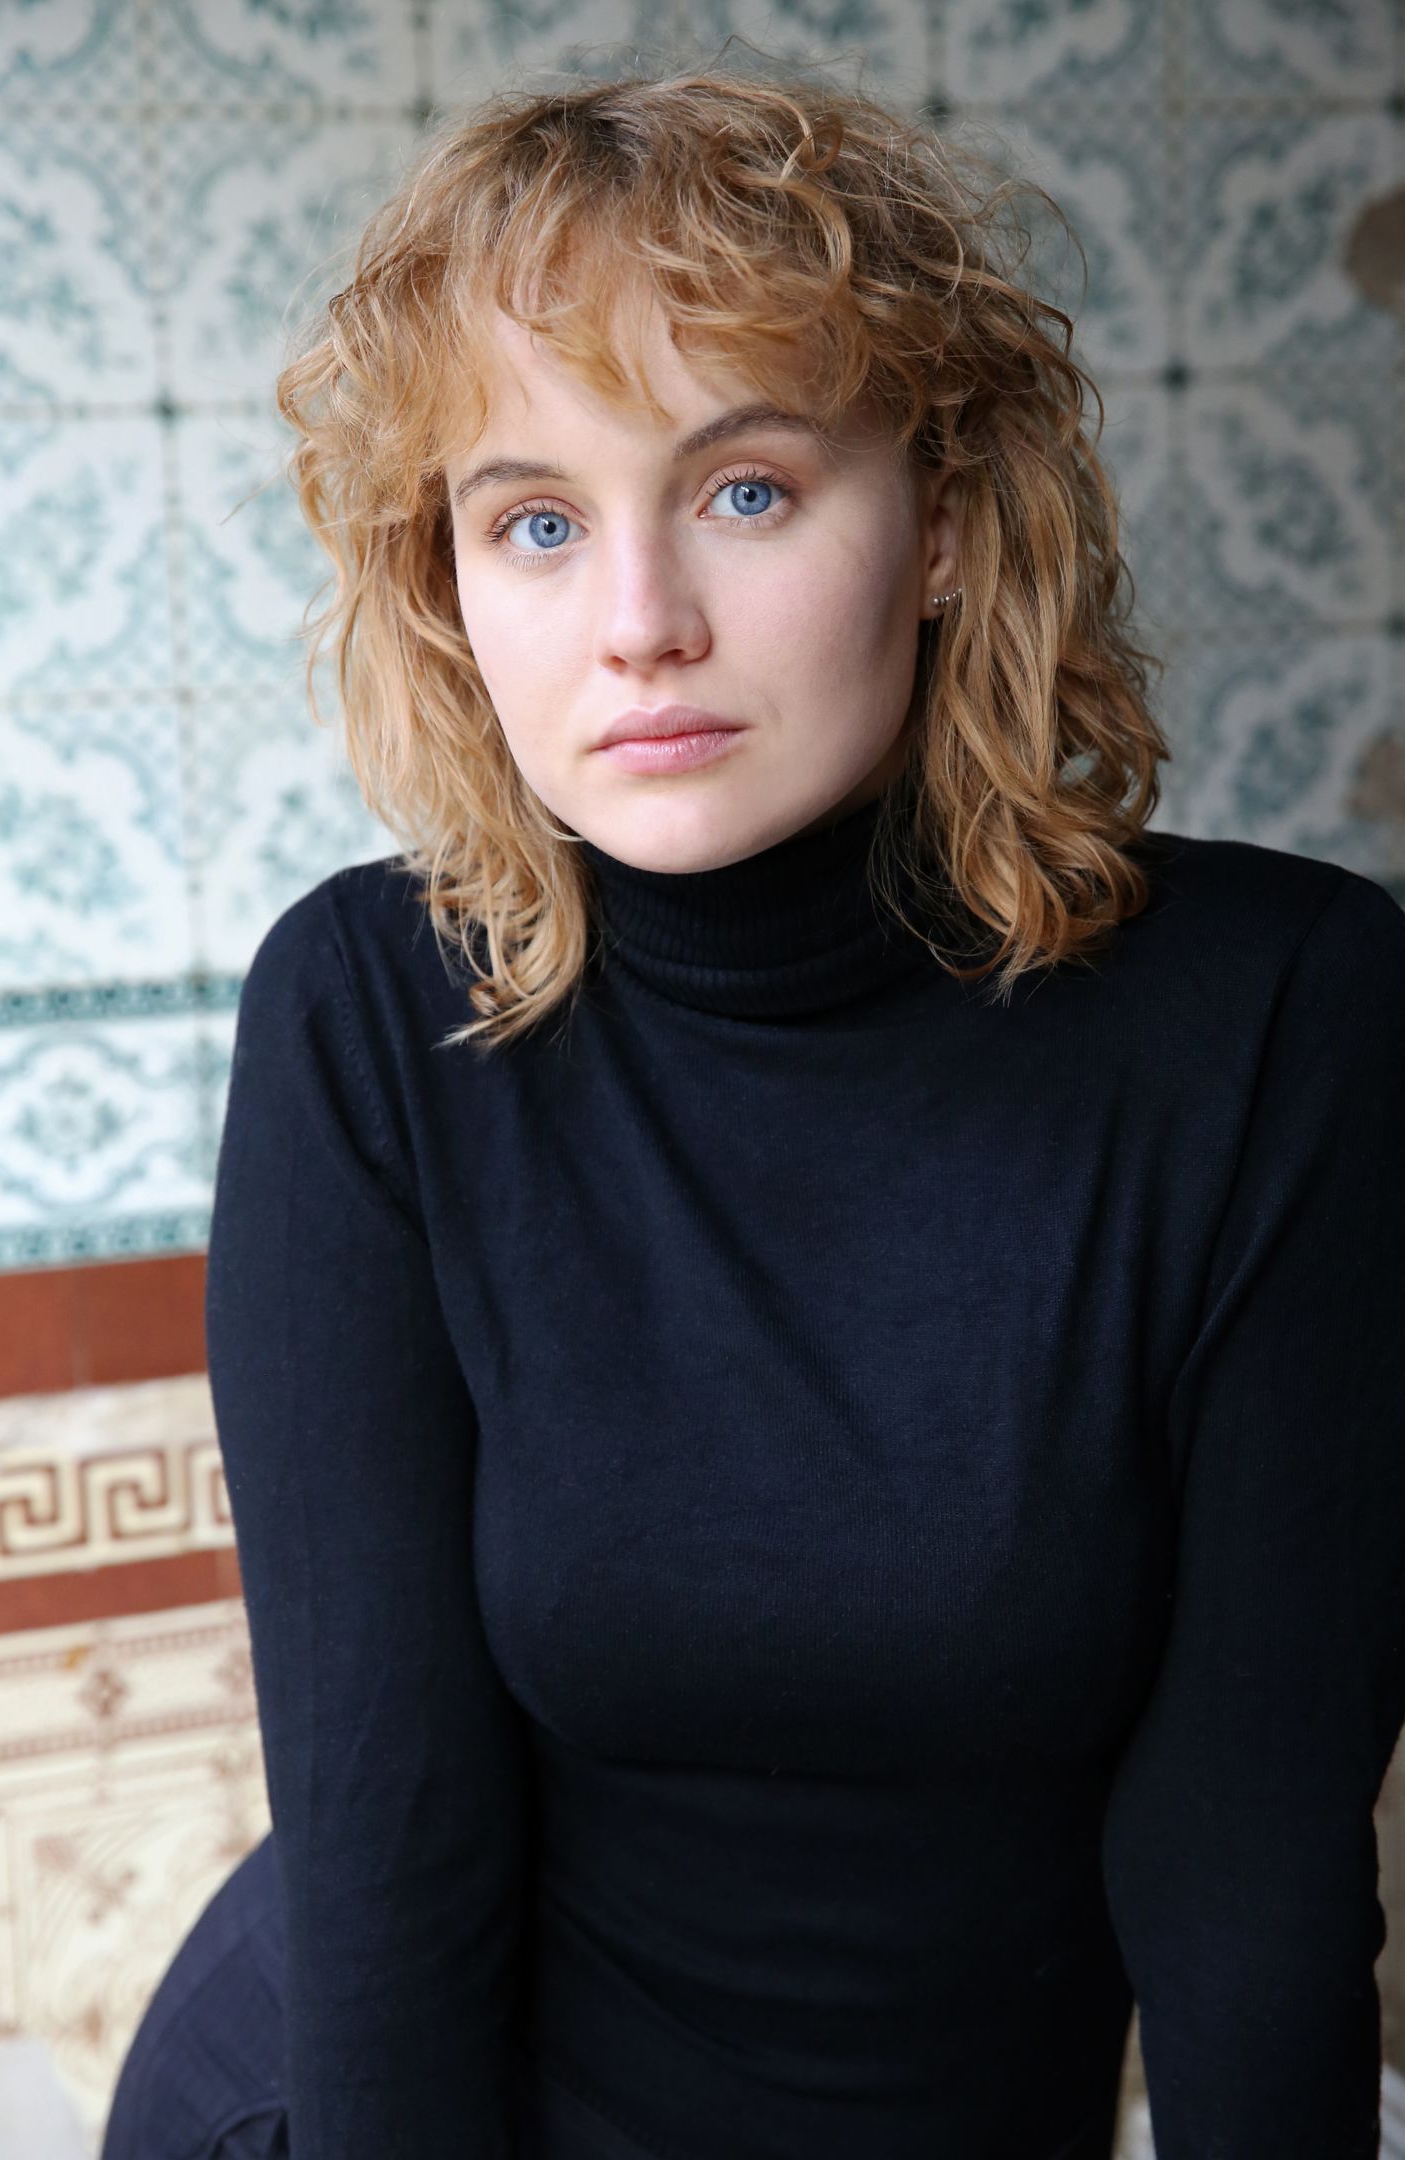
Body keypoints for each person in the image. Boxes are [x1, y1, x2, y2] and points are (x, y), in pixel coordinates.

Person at [101, 50, 1405, 2160]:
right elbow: (389, 1842)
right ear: (452, 587)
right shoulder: (368, 1016)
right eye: (536, 522)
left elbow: (1248, 1860)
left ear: (947, 524)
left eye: (746, 491)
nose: (640, 627)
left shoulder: (1280, 1018)